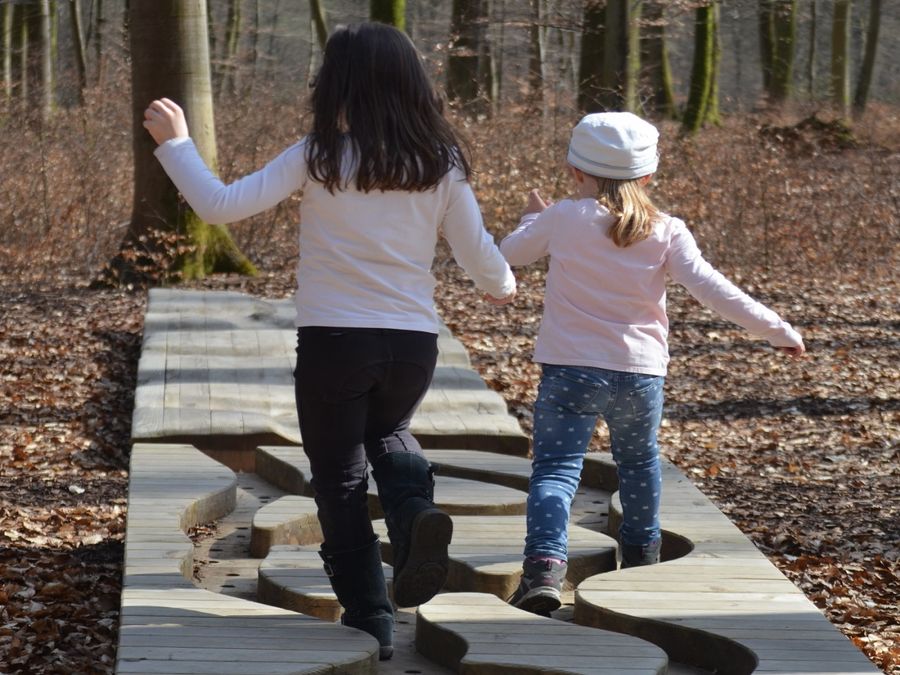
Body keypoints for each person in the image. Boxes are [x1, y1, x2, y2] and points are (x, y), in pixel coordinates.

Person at [142, 22, 516, 660]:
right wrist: (502, 284)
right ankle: (413, 511)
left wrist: (177, 143)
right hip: (412, 346)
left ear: (338, 86)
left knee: (340, 480)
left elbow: (220, 205)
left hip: (336, 342)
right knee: (390, 431)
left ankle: (370, 614)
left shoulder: (318, 155)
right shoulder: (441, 162)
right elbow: (479, 255)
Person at [500, 111, 804, 617]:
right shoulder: (667, 230)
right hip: (640, 374)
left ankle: (545, 569)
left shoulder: (564, 217)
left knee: (556, 469)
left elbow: (510, 253)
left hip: (571, 370)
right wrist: (777, 330)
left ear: (576, 172)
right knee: (639, 465)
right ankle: (641, 562)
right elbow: (713, 289)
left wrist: (533, 219)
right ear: (648, 176)